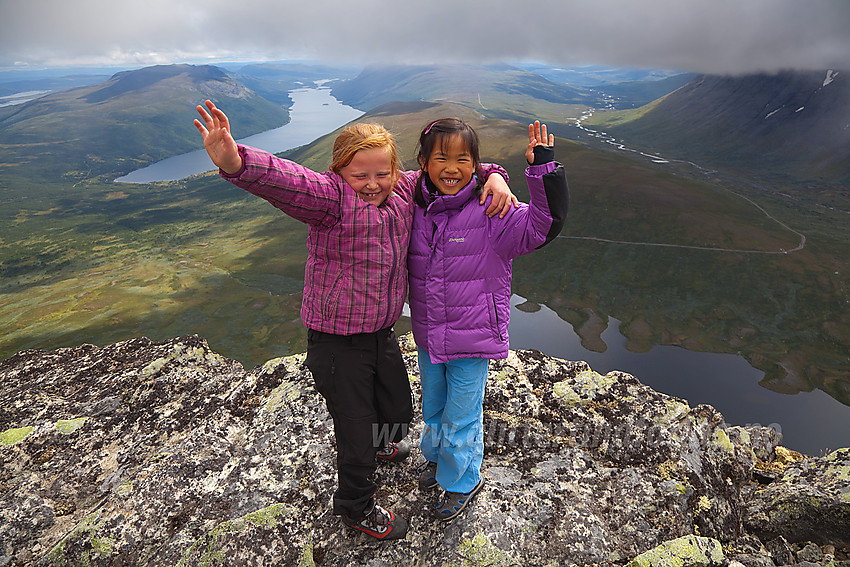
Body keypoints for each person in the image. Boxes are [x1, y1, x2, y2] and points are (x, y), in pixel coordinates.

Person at [193, 100, 516, 540]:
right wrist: (235, 160)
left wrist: (494, 174)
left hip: (379, 334)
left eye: (381, 173)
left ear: (396, 172)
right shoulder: (329, 199)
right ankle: (355, 507)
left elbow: (450, 167)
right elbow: (287, 180)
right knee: (356, 432)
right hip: (335, 342)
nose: (371, 184)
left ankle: (381, 445)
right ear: (339, 172)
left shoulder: (403, 190)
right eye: (359, 174)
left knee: (399, 411)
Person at [407, 118, 568, 521]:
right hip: (429, 337)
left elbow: (542, 225)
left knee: (461, 415)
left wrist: (539, 169)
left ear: (475, 165)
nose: (451, 167)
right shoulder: (413, 204)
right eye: (440, 158)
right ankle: (437, 459)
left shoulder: (491, 209)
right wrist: (492, 171)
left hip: (472, 341)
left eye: (464, 159)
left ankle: (461, 481)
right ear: (423, 163)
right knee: (434, 406)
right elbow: (377, 178)